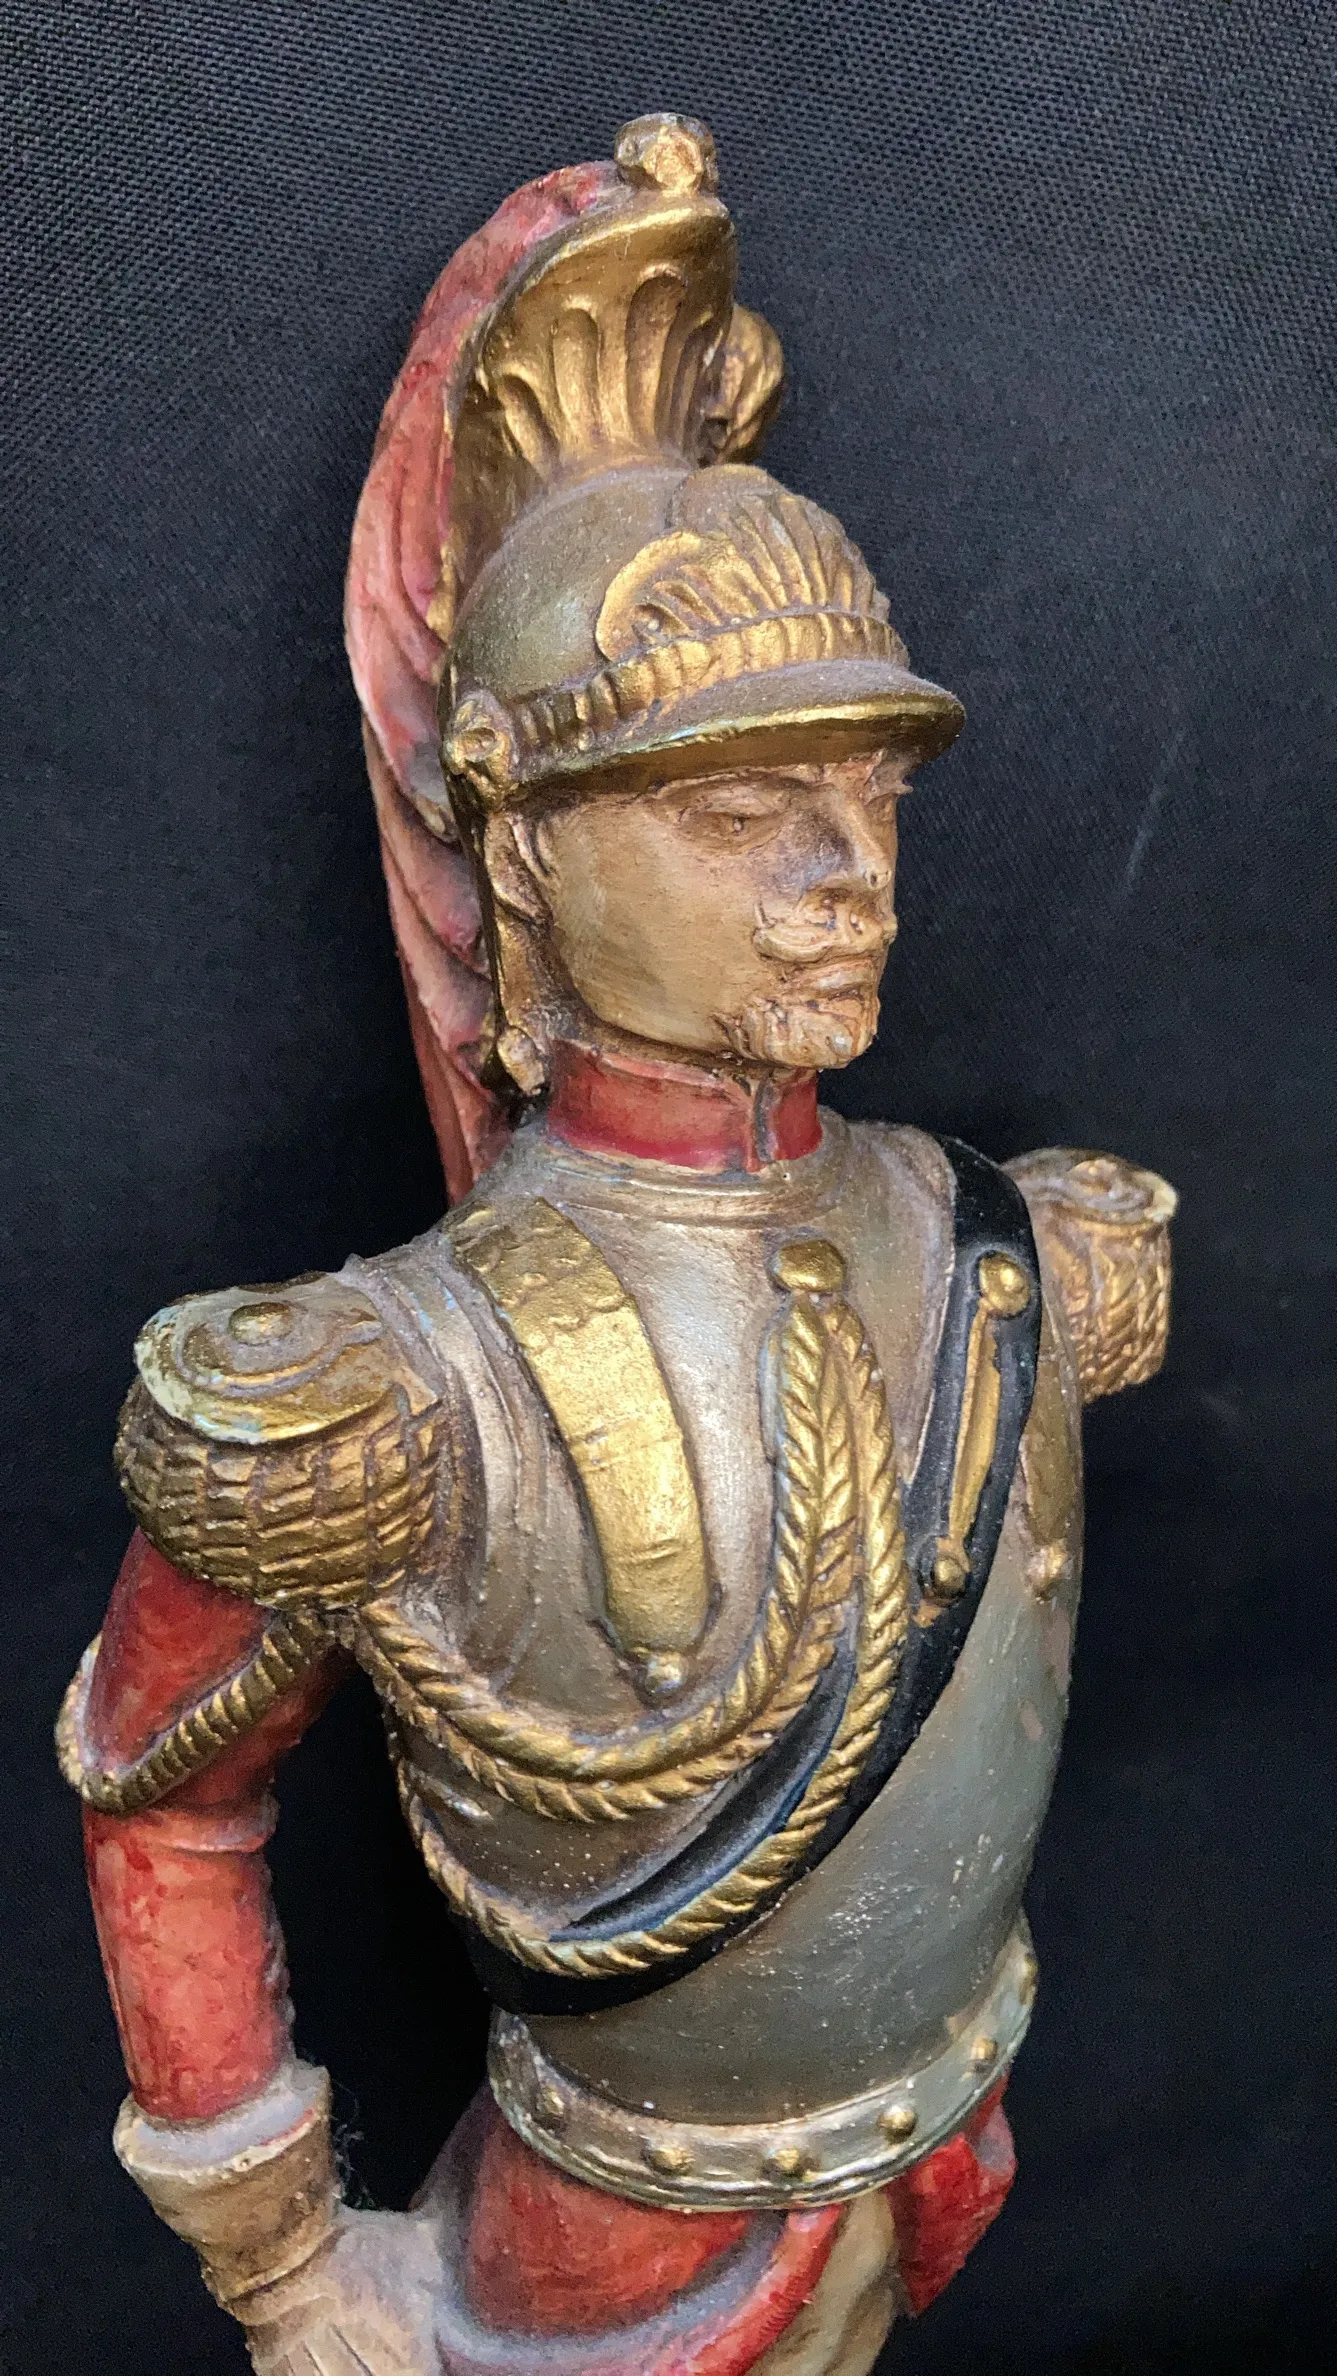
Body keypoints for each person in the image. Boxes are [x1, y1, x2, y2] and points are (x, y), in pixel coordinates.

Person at [59, 114, 1176, 2375]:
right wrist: (283, 2263)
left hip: (947, 2144)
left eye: (865, 798)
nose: (843, 877)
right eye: (740, 808)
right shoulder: (387, 1392)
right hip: (611, 2251)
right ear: (529, 853)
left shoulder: (1007, 1256)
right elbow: (160, 1800)